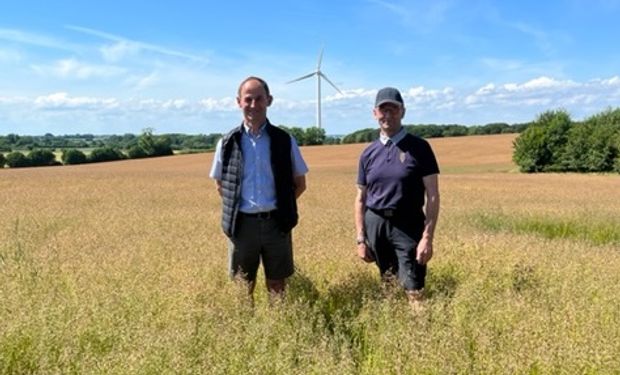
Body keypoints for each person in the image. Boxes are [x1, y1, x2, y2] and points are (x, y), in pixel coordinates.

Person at [209, 76, 308, 302]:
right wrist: (238, 210)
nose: (253, 105)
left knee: (277, 284)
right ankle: (245, 331)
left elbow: (300, 184)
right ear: (238, 102)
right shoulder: (227, 142)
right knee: (243, 286)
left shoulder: (284, 140)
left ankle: (277, 327)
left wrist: (281, 208)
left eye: (259, 99)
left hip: (277, 223)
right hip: (242, 225)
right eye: (248, 99)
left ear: (269, 100)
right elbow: (220, 184)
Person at [354, 87, 440, 308]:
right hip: (377, 224)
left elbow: (432, 195)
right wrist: (361, 239)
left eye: (393, 109)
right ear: (375, 113)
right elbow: (360, 199)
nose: (388, 115)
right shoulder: (368, 153)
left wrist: (427, 237)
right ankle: (394, 332)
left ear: (403, 112)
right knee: (388, 283)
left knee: (414, 286)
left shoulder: (420, 148)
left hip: (408, 224)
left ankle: (420, 335)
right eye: (383, 110)